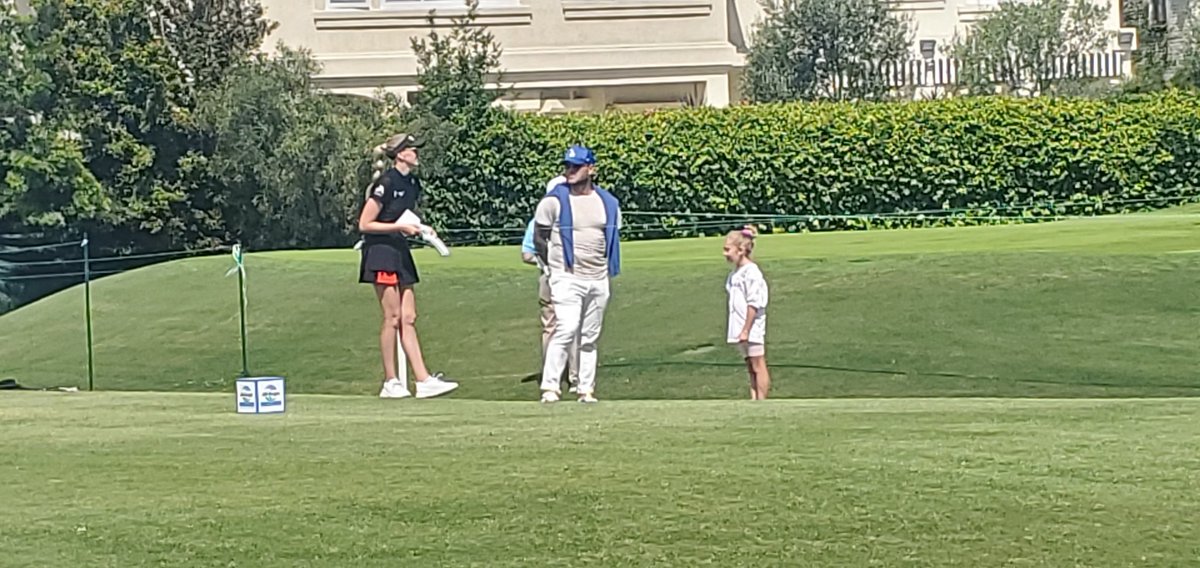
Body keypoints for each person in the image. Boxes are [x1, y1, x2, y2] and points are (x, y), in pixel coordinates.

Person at [357, 133, 459, 399]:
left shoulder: (413, 183)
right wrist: (400, 227)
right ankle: (391, 381)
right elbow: (365, 224)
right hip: (380, 251)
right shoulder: (386, 183)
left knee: (409, 317)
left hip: (399, 250)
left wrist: (420, 228)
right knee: (391, 318)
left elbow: (404, 215)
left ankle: (423, 380)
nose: (417, 154)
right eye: (412, 150)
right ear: (400, 154)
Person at [533, 145, 622, 404]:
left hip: (598, 276)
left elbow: (611, 236)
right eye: (568, 166)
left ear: (591, 169)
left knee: (590, 336)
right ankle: (550, 387)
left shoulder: (608, 202)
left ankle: (586, 389)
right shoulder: (553, 200)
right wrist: (552, 266)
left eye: (576, 166)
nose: (569, 171)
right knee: (567, 327)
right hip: (566, 275)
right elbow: (540, 236)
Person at [521, 173, 580, 393]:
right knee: (573, 324)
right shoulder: (574, 216)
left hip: (547, 276)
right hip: (569, 276)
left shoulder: (537, 219)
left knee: (551, 327)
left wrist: (544, 263)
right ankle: (575, 379)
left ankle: (550, 375)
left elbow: (527, 254)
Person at [723, 225, 770, 400]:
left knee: (758, 363)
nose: (725, 254)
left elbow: (754, 302)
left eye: (728, 250)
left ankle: (762, 399)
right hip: (739, 326)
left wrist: (746, 329)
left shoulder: (751, 273)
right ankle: (753, 398)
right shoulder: (735, 274)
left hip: (751, 327)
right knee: (749, 365)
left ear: (741, 250)